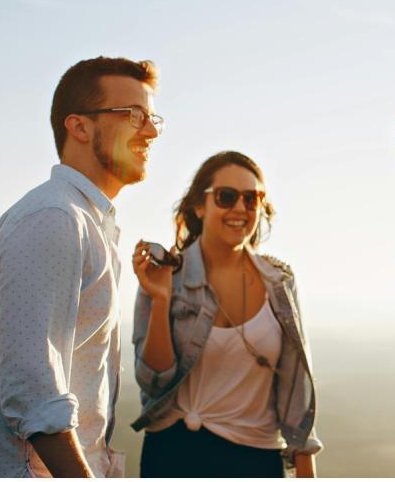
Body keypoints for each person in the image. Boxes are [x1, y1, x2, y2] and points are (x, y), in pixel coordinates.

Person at [0, 56, 162, 477]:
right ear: (79, 126)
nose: (151, 131)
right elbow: (36, 395)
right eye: (134, 115)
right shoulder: (54, 217)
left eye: (152, 118)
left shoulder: (88, 222)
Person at [130, 151, 321, 478]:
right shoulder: (166, 274)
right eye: (227, 196)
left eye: (252, 198)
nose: (240, 208)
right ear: (199, 205)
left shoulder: (279, 283)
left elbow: (296, 393)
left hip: (256, 461)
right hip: (173, 456)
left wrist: (306, 472)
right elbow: (154, 382)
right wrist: (160, 299)